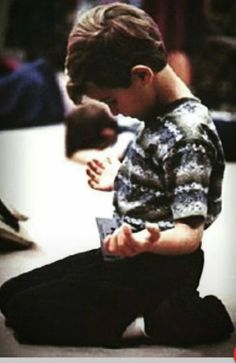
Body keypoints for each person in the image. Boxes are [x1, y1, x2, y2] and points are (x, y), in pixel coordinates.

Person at [0, 3, 234, 348]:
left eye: (111, 100)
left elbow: (189, 236)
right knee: (10, 294)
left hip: (160, 267)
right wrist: (120, 176)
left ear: (142, 75)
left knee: (30, 315)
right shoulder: (158, 112)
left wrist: (145, 242)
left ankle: (172, 311)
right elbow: (160, 178)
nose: (113, 111)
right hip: (129, 253)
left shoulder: (189, 136)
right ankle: (147, 306)